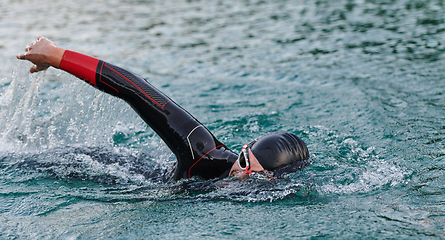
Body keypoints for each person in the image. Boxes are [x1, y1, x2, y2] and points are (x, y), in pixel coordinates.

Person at [16, 36, 310, 181]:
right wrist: (56, 55)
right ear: (244, 149)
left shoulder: (263, 193)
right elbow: (137, 90)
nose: (242, 174)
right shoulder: (201, 149)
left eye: (254, 175)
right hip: (92, 168)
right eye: (243, 161)